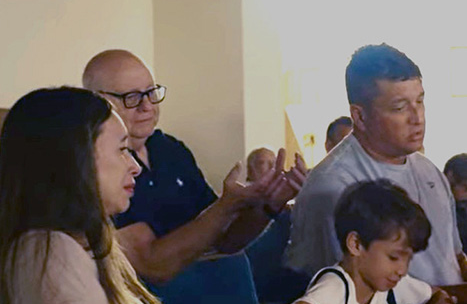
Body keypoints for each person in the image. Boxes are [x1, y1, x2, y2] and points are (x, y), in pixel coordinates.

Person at [0, 88, 315, 304]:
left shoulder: (90, 243)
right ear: (73, 162)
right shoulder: (45, 249)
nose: (134, 165)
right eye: (122, 149)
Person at [285, 43, 467, 304]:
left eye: (420, 101)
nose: (418, 118)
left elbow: (454, 258)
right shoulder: (333, 186)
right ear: (360, 116)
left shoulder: (428, 170)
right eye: (400, 107)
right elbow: (359, 299)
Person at [82, 49, 307, 282]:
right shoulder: (94, 166)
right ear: (98, 101)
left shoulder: (170, 150)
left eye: (151, 92)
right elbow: (152, 265)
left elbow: (224, 241)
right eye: (132, 97)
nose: (147, 106)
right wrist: (225, 206)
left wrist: (268, 206)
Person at [286, 180, 461, 304]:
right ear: (356, 244)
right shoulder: (336, 286)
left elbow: (434, 293)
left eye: (408, 259)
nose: (402, 270)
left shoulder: (394, 285)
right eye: (393, 257)